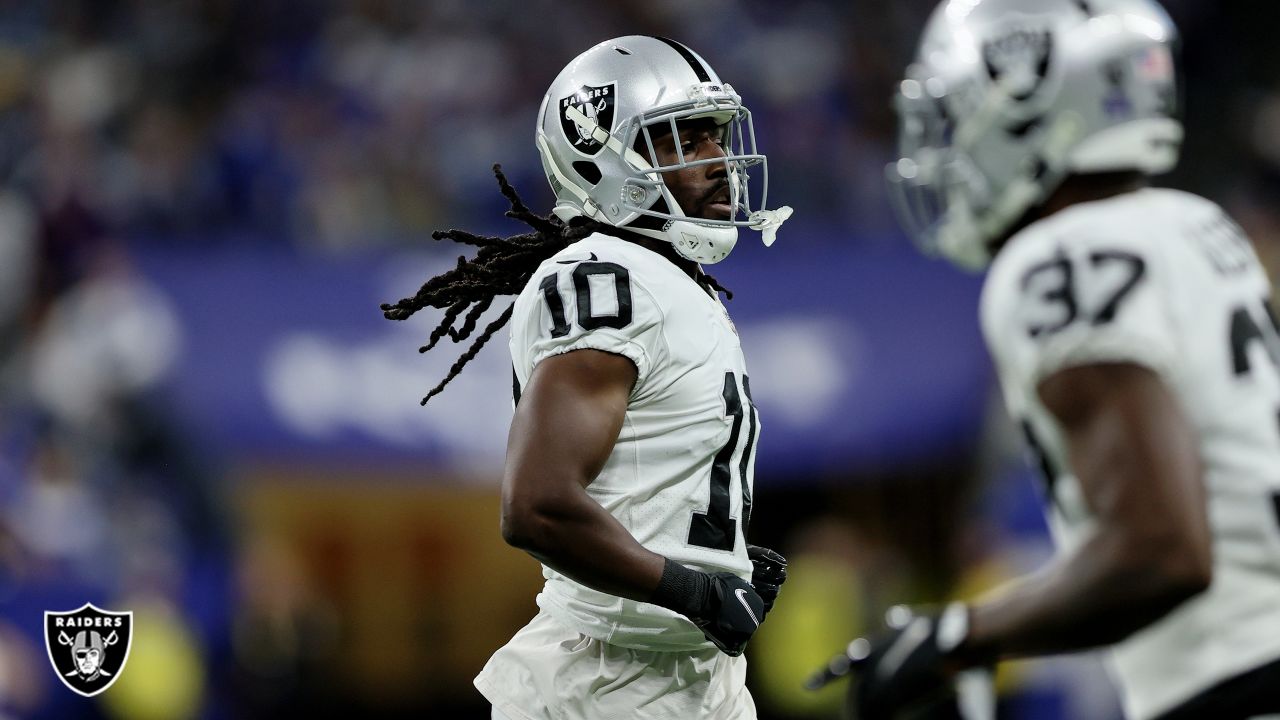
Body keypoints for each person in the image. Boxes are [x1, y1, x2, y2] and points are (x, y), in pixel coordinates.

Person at [810, 1, 1280, 719]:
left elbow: (1160, 551)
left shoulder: (1059, 259)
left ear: (1029, 100)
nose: (948, 146)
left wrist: (960, 633)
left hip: (1239, 680)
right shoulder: (1195, 222)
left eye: (957, 112)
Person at [381, 35, 793, 719]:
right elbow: (536, 506)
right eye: (685, 141)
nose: (720, 161)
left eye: (716, 137)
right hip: (608, 685)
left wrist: (720, 562)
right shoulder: (606, 278)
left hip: (689, 678)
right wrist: (696, 594)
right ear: (605, 157)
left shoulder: (671, 283)